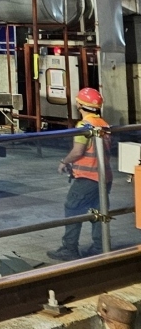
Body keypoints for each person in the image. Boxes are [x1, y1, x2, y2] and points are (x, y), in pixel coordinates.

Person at [48, 87, 112, 261]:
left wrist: (64, 161)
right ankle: (100, 247)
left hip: (87, 178)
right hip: (104, 177)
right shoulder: (103, 123)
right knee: (98, 212)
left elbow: (78, 151)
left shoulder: (84, 126)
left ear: (79, 105)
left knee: (72, 208)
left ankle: (69, 248)